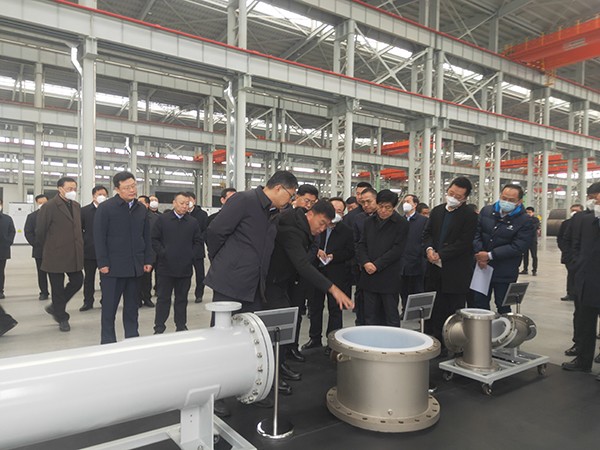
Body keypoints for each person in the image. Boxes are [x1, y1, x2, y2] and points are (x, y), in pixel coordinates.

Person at [205, 170, 298, 414]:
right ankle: (217, 394)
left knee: (250, 339)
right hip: (230, 283)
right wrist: (224, 261)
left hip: (255, 285)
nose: (290, 200)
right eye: (290, 195)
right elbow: (215, 232)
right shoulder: (244, 200)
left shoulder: (273, 213)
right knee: (222, 339)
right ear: (278, 188)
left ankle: (246, 389)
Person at [265, 200, 354, 392]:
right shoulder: (292, 230)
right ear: (310, 214)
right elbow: (302, 264)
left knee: (284, 324)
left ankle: (278, 367)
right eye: (321, 223)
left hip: (283, 282)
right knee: (274, 328)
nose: (322, 229)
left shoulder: (308, 231)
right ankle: (269, 377)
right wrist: (333, 289)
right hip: (268, 283)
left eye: (326, 225)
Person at [94, 171, 153, 344]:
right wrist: (102, 262)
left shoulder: (141, 209)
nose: (131, 190)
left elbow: (146, 236)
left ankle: (132, 340)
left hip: (135, 267)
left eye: (133, 186)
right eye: (127, 187)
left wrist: (147, 260)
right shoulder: (106, 208)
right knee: (109, 309)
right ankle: (108, 342)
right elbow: (99, 237)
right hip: (112, 268)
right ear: (117, 189)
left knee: (132, 309)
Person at [423, 177, 478, 348]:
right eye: (451, 193)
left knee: (452, 310)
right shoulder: (437, 211)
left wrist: (441, 254)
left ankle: (453, 345)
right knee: (434, 308)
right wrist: (429, 249)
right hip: (434, 270)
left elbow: (464, 243)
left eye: (458, 196)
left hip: (455, 272)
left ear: (465, 198)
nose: (453, 197)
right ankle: (434, 342)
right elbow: (427, 233)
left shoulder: (469, 216)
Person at [472, 184, 534, 313]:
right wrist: (480, 254)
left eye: (511, 200)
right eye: (504, 198)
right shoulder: (486, 211)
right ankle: (483, 326)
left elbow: (519, 246)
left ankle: (504, 326)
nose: (506, 202)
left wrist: (489, 255)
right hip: (482, 268)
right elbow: (475, 233)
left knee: (503, 304)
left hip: (505, 270)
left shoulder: (525, 220)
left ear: (519, 201)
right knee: (479, 303)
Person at [304, 197, 354, 354]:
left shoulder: (346, 231)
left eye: (340, 211)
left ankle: (333, 343)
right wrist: (316, 250)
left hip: (335, 273)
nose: (336, 213)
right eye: (334, 210)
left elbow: (350, 252)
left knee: (335, 309)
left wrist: (334, 256)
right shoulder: (317, 226)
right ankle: (314, 339)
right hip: (316, 272)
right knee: (315, 307)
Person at [36, 177, 84, 332]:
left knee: (78, 280)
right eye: (69, 188)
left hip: (73, 252)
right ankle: (62, 317)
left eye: (74, 189)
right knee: (57, 287)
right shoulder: (49, 206)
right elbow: (40, 231)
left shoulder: (76, 206)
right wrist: (50, 246)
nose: (73, 191)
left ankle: (55, 307)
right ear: (60, 189)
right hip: (55, 253)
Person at [562, 188, 600, 376]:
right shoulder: (586, 220)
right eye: (593, 199)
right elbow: (573, 243)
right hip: (588, 278)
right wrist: (576, 265)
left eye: (597, 199)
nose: (595, 202)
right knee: (585, 322)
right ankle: (583, 361)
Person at [152, 192, 203, 334]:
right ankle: (159, 327)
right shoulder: (163, 219)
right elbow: (154, 239)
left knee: (182, 299)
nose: (184, 206)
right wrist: (163, 252)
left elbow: (198, 241)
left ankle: (181, 326)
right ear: (174, 203)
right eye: (182, 203)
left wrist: (191, 254)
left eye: (187, 203)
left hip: (185, 268)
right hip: (165, 267)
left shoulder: (192, 222)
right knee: (163, 299)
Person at [358, 190, 408, 327]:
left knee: (390, 316)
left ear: (394, 206)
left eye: (388, 207)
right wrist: (365, 262)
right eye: (380, 206)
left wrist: (376, 265)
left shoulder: (401, 223)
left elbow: (397, 249)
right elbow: (362, 244)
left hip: (389, 278)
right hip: (369, 277)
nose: (383, 211)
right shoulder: (369, 221)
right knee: (370, 316)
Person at [350, 187, 378, 326]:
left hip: (380, 266)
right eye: (363, 202)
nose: (366, 205)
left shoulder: (384, 217)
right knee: (361, 298)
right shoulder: (358, 218)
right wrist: (363, 261)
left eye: (369, 201)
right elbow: (356, 242)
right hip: (362, 266)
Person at [79, 186, 108, 311]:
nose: (102, 196)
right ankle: (88, 301)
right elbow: (79, 229)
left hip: (106, 251)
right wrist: (85, 241)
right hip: (89, 251)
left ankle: (105, 301)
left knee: (105, 279)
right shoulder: (84, 211)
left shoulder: (109, 210)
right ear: (93, 196)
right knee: (88, 279)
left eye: (104, 194)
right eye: (100, 194)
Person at [400, 194, 428, 313]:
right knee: (403, 289)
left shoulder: (423, 221)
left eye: (408, 201)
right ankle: (405, 311)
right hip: (402, 261)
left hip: (417, 261)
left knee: (418, 289)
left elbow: (426, 239)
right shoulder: (400, 220)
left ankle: (419, 313)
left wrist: (421, 254)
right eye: (404, 201)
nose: (405, 204)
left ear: (415, 204)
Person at [24, 194, 49, 300]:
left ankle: (57, 292)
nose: (42, 205)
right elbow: (28, 232)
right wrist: (35, 243)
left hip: (54, 249)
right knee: (41, 273)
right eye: (40, 203)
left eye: (45, 203)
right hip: (39, 250)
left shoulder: (54, 215)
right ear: (37, 203)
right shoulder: (32, 217)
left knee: (55, 273)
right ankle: (44, 292)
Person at [557, 204, 583, 302]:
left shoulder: (585, 223)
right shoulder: (566, 223)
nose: (574, 212)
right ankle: (570, 293)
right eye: (572, 210)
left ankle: (580, 293)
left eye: (577, 210)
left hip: (582, 254)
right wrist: (565, 250)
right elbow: (560, 238)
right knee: (571, 274)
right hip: (569, 254)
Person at [136, 195, 157, 308]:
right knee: (137, 277)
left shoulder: (155, 218)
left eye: (142, 203)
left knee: (147, 278)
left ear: (147, 205)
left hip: (150, 252)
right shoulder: (133, 216)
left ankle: (147, 298)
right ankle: (138, 298)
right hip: (136, 252)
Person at [187, 192, 208, 303]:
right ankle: (183, 293)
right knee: (185, 273)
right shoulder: (182, 213)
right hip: (184, 249)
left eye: (190, 200)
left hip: (198, 248)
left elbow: (206, 230)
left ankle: (199, 294)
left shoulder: (202, 214)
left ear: (194, 201)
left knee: (200, 274)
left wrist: (199, 240)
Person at [0, 199, 15, 300]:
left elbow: (12, 231)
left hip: (2, 250)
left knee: (0, 272)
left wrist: (8, 242)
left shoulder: (7, 219)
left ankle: (0, 291)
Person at [520, 207, 540, 276]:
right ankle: (525, 269)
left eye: (530, 212)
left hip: (533, 240)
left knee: (534, 255)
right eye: (527, 212)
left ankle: (534, 270)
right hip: (525, 240)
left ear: (533, 213)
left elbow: (534, 227)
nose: (528, 214)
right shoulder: (523, 219)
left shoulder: (535, 220)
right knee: (525, 256)